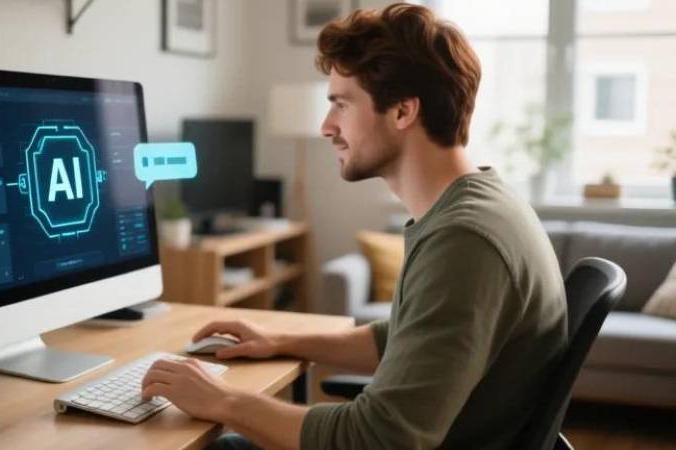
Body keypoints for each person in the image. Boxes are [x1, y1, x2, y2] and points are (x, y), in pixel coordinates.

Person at [141, 3, 567, 449]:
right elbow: (408, 338)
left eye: (341, 105)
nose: (327, 127)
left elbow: (380, 439)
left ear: (403, 112)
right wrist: (281, 339)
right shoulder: (479, 205)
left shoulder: (465, 241)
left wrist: (224, 402)